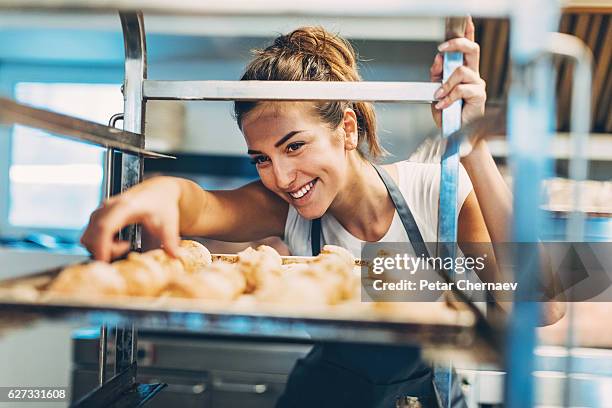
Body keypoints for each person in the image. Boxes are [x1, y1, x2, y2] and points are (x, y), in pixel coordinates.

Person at [81, 19, 562, 407]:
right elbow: (201, 205)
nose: (283, 177)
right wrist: (161, 192)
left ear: (346, 128)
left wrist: (471, 141)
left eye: (295, 146)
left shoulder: (436, 193)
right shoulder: (284, 211)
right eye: (263, 159)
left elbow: (542, 306)